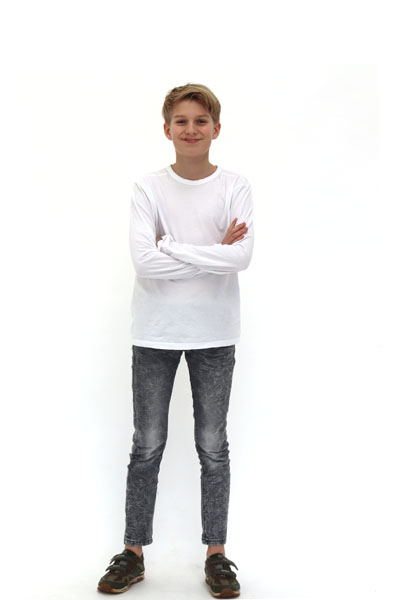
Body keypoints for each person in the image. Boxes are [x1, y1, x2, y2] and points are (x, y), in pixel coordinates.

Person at [97, 83, 254, 597]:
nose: (191, 129)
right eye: (181, 121)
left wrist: (173, 247)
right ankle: (132, 552)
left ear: (216, 129)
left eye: (200, 121)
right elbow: (145, 263)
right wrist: (211, 251)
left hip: (215, 331)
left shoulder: (235, 186)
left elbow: (240, 257)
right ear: (167, 130)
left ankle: (217, 556)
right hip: (156, 332)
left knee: (213, 446)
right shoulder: (148, 188)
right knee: (147, 444)